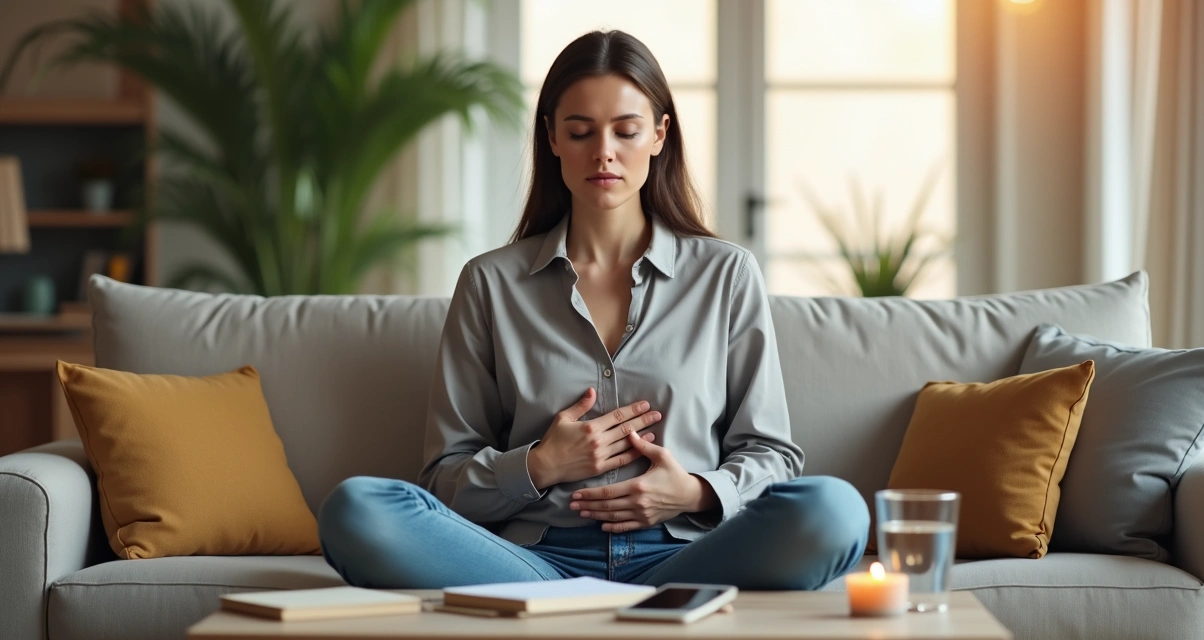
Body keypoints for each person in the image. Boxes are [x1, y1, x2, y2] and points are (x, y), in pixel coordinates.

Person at [317, 29, 869, 590]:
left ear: (659, 135)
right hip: (531, 564)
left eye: (626, 130)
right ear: (552, 138)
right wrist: (537, 466)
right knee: (358, 510)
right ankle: (604, 612)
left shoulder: (726, 275)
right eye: (580, 131)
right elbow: (443, 478)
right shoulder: (489, 283)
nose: (603, 151)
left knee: (835, 510)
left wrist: (698, 492)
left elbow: (770, 452)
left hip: (686, 560)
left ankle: (608, 612)